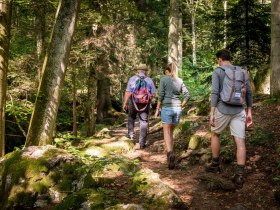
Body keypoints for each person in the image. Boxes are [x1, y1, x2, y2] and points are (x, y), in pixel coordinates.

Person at [206, 49, 253, 187]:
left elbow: (215, 93)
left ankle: (215, 163)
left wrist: (212, 113)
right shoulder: (242, 71)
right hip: (239, 110)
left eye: (217, 60)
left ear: (219, 59)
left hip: (223, 109)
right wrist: (249, 111)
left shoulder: (218, 71)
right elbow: (249, 92)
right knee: (240, 141)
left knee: (215, 134)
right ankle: (239, 175)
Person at [154, 64, 190, 169]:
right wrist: (181, 105)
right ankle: (172, 152)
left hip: (166, 108)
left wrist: (157, 109)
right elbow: (187, 95)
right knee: (171, 132)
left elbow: (160, 95)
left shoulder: (164, 79)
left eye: (165, 71)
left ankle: (170, 153)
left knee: (167, 132)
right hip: (177, 109)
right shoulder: (180, 80)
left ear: (167, 71)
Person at [123, 64, 156, 149]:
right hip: (144, 104)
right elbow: (153, 94)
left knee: (131, 118)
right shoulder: (149, 80)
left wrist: (125, 103)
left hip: (133, 102)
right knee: (143, 121)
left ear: (138, 70)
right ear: (146, 71)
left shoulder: (132, 79)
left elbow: (127, 92)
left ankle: (131, 137)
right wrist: (148, 99)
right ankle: (142, 143)